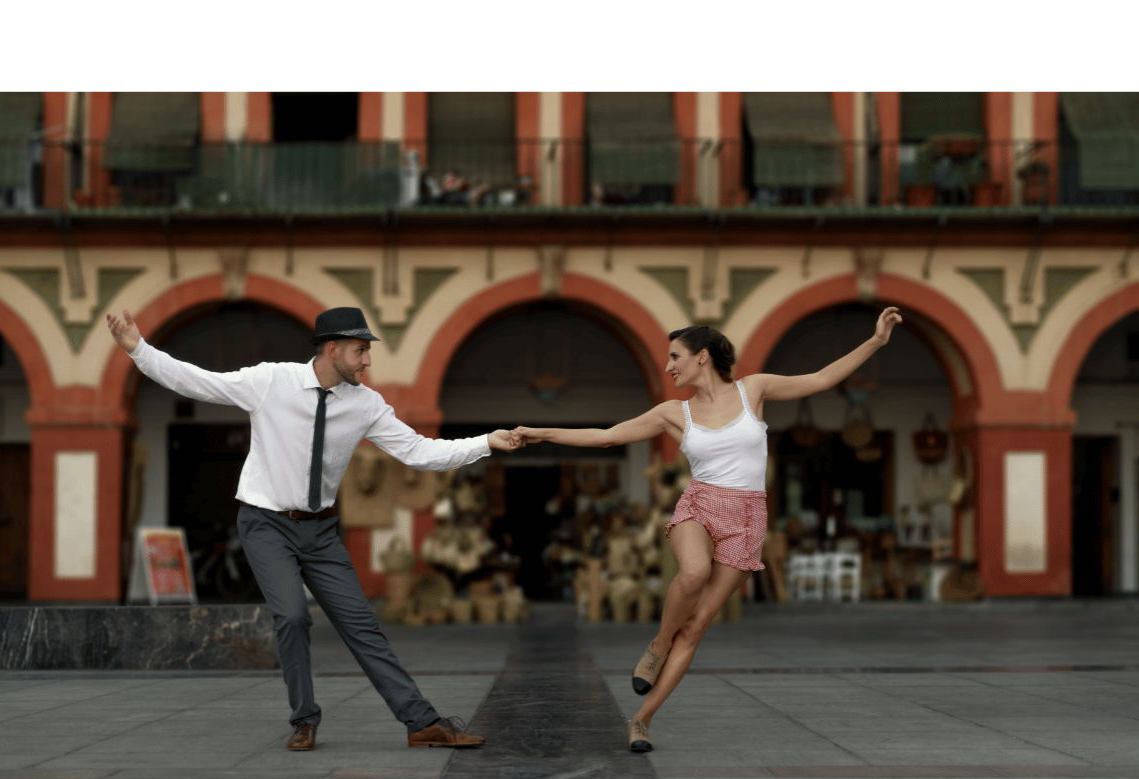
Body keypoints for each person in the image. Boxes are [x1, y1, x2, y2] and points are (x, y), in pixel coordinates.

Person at [107, 306, 522, 752]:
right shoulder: (272, 382)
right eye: (361, 351)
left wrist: (485, 443)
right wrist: (138, 349)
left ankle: (421, 723)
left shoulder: (366, 405)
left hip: (321, 532)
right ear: (333, 349)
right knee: (292, 615)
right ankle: (304, 720)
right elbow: (198, 381)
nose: (368, 361)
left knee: (363, 625)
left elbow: (420, 452)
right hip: (266, 523)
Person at [516, 307, 902, 752]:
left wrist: (875, 342)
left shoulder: (753, 389)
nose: (668, 365)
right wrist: (541, 432)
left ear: (701, 356)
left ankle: (640, 720)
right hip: (700, 505)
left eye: (675, 356)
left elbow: (818, 379)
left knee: (697, 626)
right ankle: (658, 645)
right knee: (693, 573)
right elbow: (608, 436)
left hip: (747, 518)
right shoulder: (672, 412)